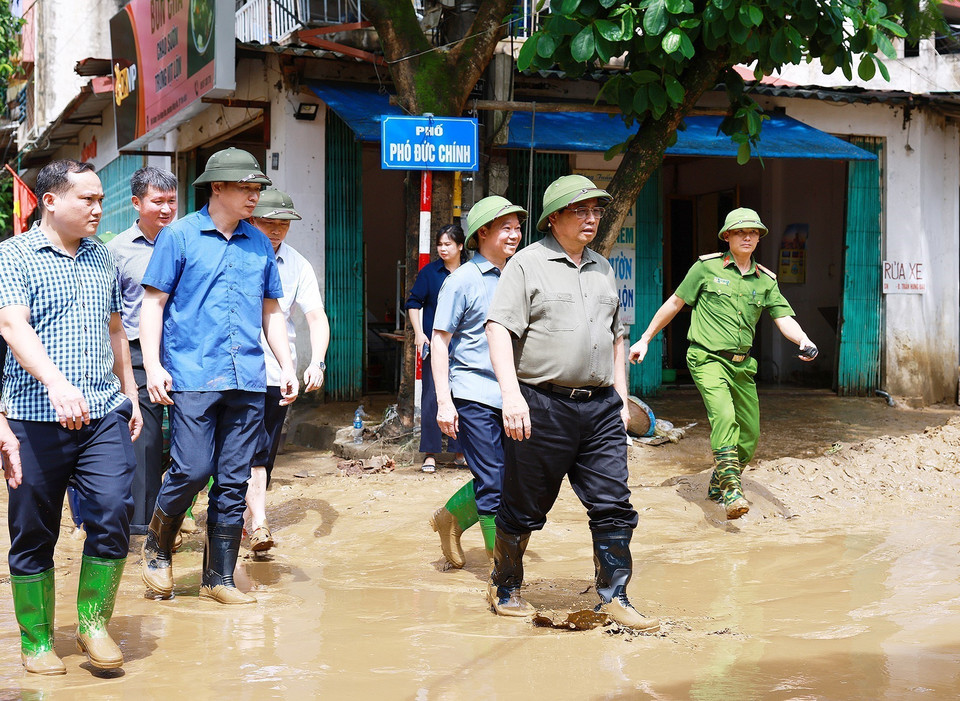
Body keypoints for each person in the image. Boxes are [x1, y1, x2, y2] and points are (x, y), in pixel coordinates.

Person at [485, 174, 658, 631]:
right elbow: (499, 329)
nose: (592, 219)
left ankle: (615, 596)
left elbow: (618, 336)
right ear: (554, 218)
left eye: (596, 211)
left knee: (613, 502)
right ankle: (505, 583)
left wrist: (621, 399)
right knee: (525, 504)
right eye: (580, 211)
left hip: (600, 406)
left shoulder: (604, 268)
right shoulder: (526, 265)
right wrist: (510, 396)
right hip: (541, 403)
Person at [138, 148, 299, 605]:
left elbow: (271, 311)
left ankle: (219, 576)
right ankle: (156, 544)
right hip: (193, 373)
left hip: (248, 376)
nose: (254, 197)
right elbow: (153, 304)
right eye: (246, 188)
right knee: (192, 468)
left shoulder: (257, 243)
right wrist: (153, 365)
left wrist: (286, 365)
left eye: (257, 189)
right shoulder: (180, 237)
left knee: (233, 476)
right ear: (217, 188)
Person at [0, 159, 142, 673]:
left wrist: (130, 394)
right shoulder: (13, 256)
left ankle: (93, 624)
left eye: (101, 199)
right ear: (51, 201)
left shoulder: (103, 258)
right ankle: (37, 640)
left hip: (103, 411)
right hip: (34, 417)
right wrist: (56, 385)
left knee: (113, 509)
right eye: (88, 199)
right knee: (34, 530)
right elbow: (13, 327)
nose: (99, 209)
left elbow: (115, 330)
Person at [630, 207, 817, 519]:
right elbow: (675, 303)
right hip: (706, 358)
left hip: (742, 365)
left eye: (753, 232)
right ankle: (732, 488)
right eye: (740, 232)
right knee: (724, 417)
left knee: (751, 434)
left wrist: (804, 340)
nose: (747, 237)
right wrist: (646, 338)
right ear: (727, 236)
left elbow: (783, 317)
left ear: (759, 238)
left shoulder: (765, 280)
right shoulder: (705, 269)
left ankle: (718, 479)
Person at [428, 196, 525, 569]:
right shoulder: (462, 280)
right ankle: (502, 573)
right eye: (507, 227)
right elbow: (440, 341)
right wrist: (444, 401)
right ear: (483, 233)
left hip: (513, 394)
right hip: (472, 392)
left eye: (518, 227)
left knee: (514, 477)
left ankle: (450, 516)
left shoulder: (520, 276)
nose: (515, 234)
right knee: (494, 479)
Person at [245, 188, 329, 552]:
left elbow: (315, 317)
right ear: (251, 220)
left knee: (263, 450)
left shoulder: (297, 265)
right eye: (269, 223)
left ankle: (253, 521)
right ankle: (256, 520)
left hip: (277, 373)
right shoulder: (236, 253)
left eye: (283, 225)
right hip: (228, 369)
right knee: (232, 452)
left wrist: (317, 361)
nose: (277, 231)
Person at [107, 166, 179, 536]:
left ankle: (178, 516)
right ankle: (142, 527)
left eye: (171, 201)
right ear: (137, 203)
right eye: (157, 201)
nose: (166, 209)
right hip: (135, 354)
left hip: (183, 353)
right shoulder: (116, 251)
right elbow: (110, 316)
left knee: (191, 441)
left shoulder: (186, 240)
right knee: (146, 442)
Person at [405, 224, 466, 473]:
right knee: (432, 397)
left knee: (463, 397)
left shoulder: (470, 273)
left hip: (464, 346)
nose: (442, 249)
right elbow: (413, 302)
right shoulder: (429, 273)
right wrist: (419, 333)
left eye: (447, 244)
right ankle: (430, 453)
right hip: (434, 345)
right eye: (439, 244)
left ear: (460, 246)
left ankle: (460, 451)